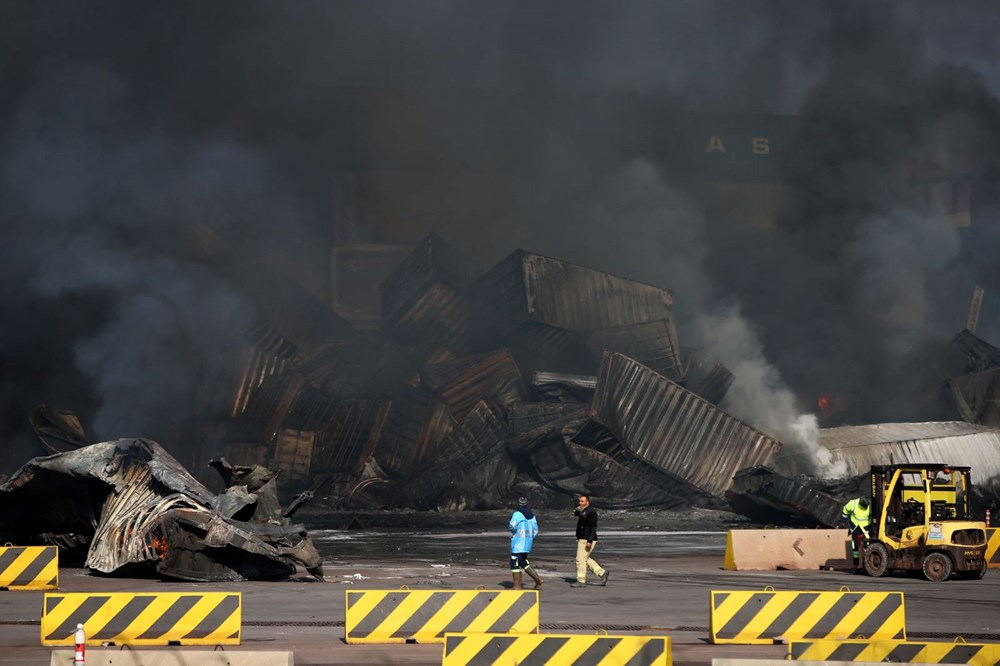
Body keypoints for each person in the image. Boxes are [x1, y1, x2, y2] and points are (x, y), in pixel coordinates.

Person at [571, 494, 609, 587]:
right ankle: (602, 573)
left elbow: (593, 527)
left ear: (588, 502)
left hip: (586, 539)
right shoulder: (583, 510)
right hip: (582, 538)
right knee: (585, 559)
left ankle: (581, 581)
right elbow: (577, 514)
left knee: (580, 560)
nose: (580, 503)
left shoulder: (591, 512)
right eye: (579, 501)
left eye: (582, 501)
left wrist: (590, 541)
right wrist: (578, 510)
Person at [509, 496, 543, 589]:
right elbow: (535, 531)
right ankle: (538, 580)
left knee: (514, 563)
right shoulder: (532, 516)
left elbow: (512, 526)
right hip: (527, 543)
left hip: (518, 543)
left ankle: (517, 586)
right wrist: (530, 538)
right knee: (523, 562)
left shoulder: (517, 514)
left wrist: (514, 532)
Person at [841, 496, 872, 572]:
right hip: (855, 528)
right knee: (855, 546)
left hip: (866, 528)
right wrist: (842, 522)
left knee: (868, 546)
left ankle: (867, 565)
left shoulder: (871, 505)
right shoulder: (853, 503)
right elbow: (845, 511)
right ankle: (856, 565)